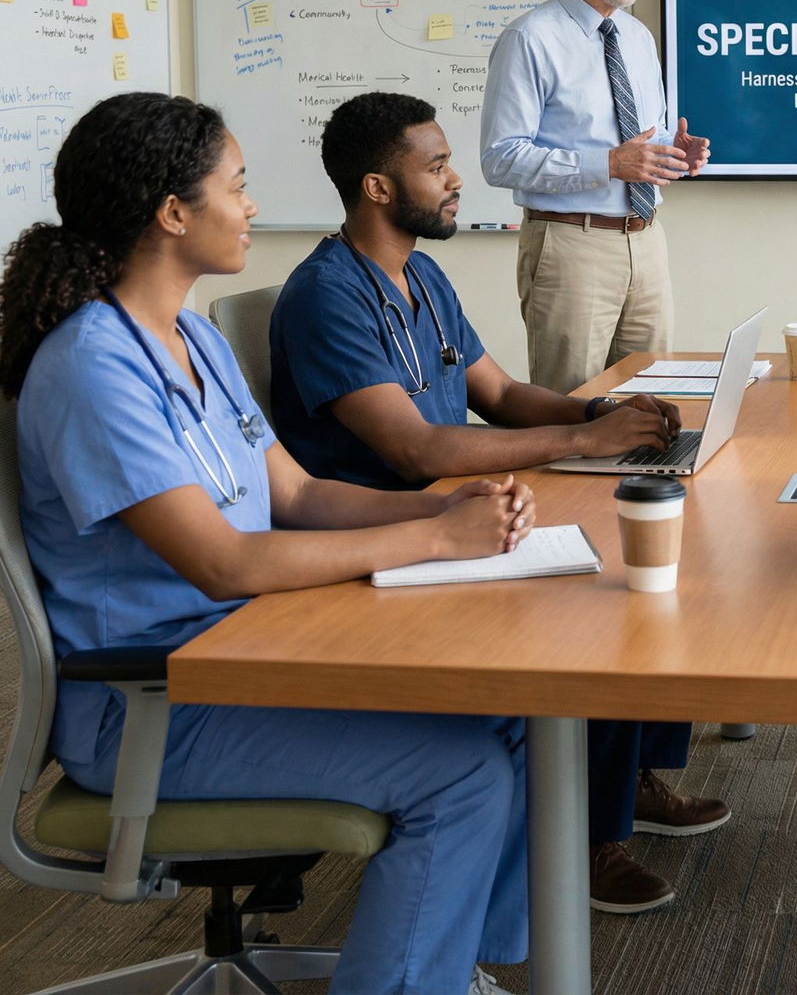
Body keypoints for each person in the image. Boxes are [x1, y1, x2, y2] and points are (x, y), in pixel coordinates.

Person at [0, 92, 537, 995]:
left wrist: (442, 513)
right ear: (174, 213)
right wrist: (433, 542)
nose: (251, 207)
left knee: (509, 711)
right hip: (158, 700)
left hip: (247, 649)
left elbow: (296, 494)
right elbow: (225, 560)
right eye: (237, 188)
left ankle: (446, 967)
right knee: (466, 779)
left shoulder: (195, 341)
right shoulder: (94, 366)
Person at [271, 90, 728, 914]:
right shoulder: (326, 296)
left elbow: (503, 393)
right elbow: (417, 450)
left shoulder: (422, 272)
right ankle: (583, 837)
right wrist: (581, 442)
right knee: (606, 610)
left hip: (471, 508)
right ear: (378, 188)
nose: (456, 182)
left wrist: (599, 415)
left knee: (645, 561)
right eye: (437, 166)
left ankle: (620, 786)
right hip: (402, 535)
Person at [479, 0, 710, 396]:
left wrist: (676, 150)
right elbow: (500, 158)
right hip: (571, 245)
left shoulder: (637, 37)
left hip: (647, 240)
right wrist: (608, 163)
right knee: (571, 407)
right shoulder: (529, 39)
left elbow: (644, 137)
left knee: (652, 400)